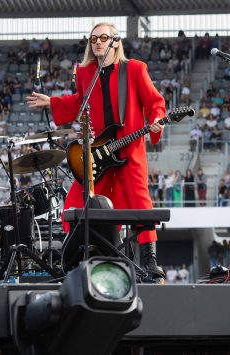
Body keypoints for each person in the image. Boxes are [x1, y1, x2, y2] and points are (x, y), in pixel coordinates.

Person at [27, 22, 167, 281]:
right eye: (93, 38)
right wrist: (53, 101)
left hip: (129, 149)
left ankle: (150, 261)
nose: (98, 42)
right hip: (99, 152)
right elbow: (81, 100)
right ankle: (78, 258)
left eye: (104, 37)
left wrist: (157, 119)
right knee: (77, 203)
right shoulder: (85, 72)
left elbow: (155, 102)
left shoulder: (134, 69)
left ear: (116, 41)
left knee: (139, 202)